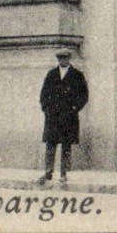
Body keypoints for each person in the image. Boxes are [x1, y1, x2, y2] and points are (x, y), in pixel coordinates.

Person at [38, 48, 88, 184]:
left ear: (69, 59)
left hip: (68, 116)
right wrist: (46, 108)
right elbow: (43, 94)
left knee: (66, 145)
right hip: (53, 116)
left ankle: (63, 173)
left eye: (65, 58)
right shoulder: (52, 74)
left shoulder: (77, 75)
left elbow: (84, 95)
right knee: (50, 144)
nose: (62, 60)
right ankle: (48, 172)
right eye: (60, 58)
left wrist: (75, 108)